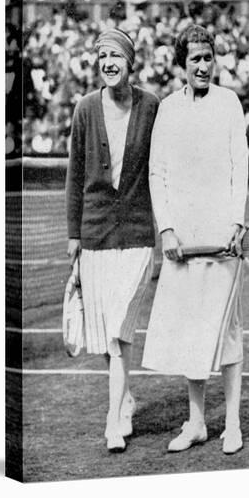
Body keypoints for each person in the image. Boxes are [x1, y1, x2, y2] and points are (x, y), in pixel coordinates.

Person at [142, 24, 248, 455]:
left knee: (227, 331)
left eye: (208, 58)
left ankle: (234, 425)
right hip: (183, 240)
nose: (202, 66)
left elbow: (239, 166)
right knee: (191, 332)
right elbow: (157, 172)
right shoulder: (167, 109)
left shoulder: (230, 103)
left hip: (223, 236)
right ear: (182, 66)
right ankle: (198, 422)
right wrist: (166, 227)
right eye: (195, 60)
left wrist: (237, 223)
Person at [66, 28, 159, 452]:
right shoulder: (85, 109)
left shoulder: (151, 106)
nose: (109, 62)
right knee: (110, 337)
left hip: (139, 235)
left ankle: (112, 423)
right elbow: (73, 178)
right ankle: (124, 400)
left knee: (119, 330)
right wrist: (72, 234)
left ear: (129, 61)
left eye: (116, 55)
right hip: (96, 234)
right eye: (102, 55)